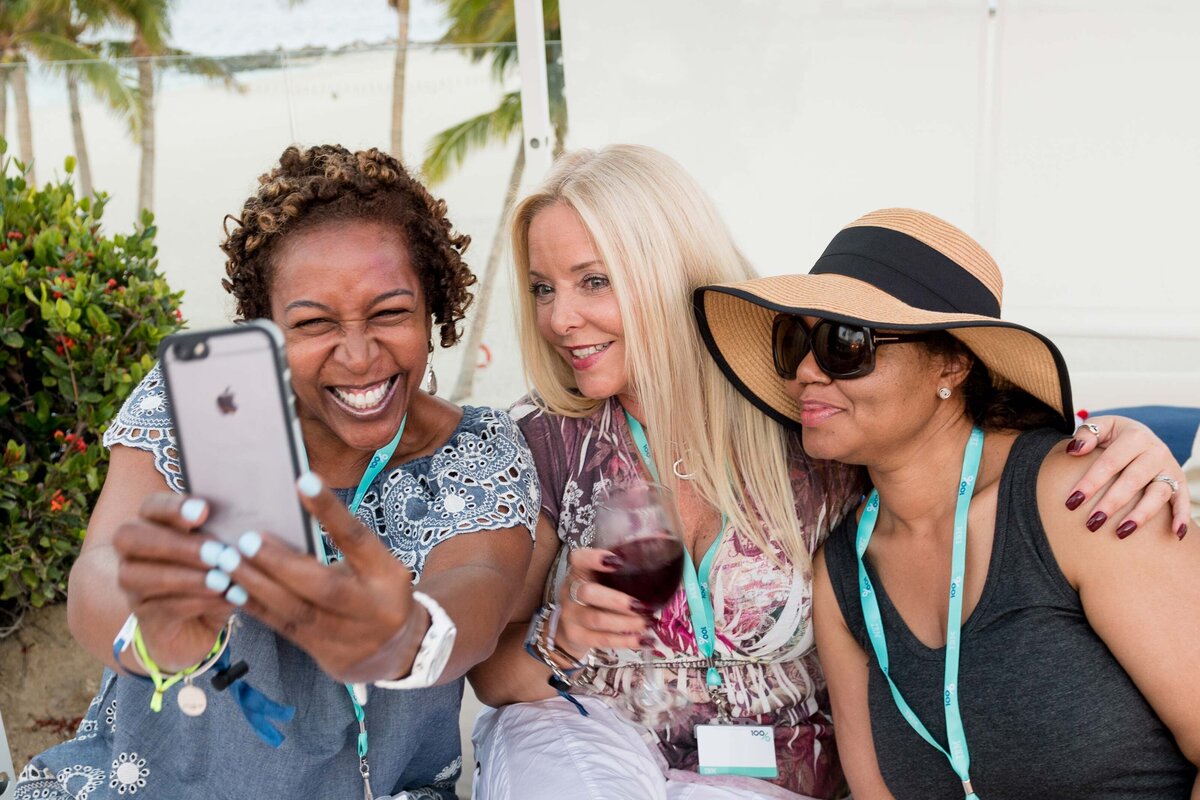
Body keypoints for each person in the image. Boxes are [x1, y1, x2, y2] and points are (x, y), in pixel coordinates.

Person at [467, 145, 1191, 799]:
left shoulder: (817, 428)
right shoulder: (547, 444)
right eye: (542, 288)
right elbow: (491, 676)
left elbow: (970, 445)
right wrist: (562, 633)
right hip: (598, 756)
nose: (560, 318)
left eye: (593, 280)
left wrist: (1122, 438)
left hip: (778, 778)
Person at [14, 145, 538, 800]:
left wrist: (403, 636)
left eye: (391, 312)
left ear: (433, 309)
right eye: (314, 323)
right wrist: (152, 634)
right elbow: (96, 580)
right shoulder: (191, 409)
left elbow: (477, 592)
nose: (358, 354)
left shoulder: (479, 452)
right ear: (266, 327)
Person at [694, 208, 1199, 798]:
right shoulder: (842, 575)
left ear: (952, 362)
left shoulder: (1078, 496)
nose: (806, 370)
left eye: (844, 343)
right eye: (795, 341)